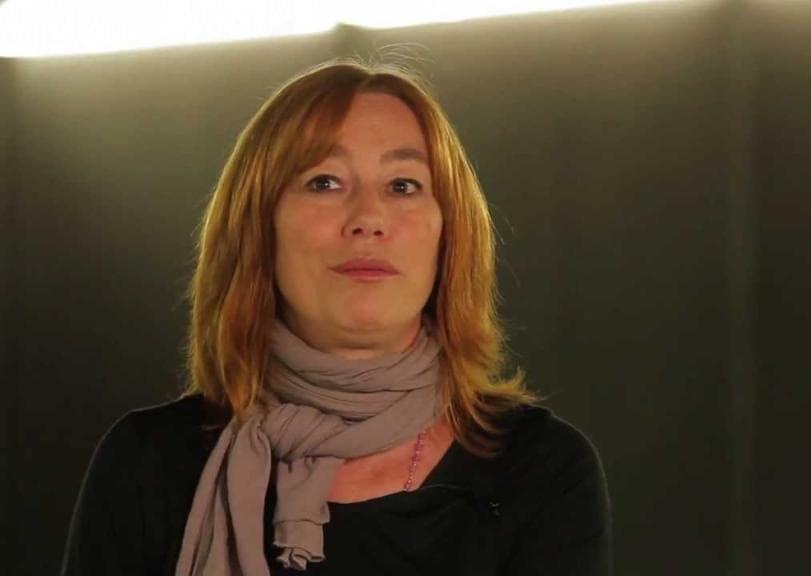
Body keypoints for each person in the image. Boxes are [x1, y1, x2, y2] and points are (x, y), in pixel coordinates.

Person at [60, 60, 612, 575]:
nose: (368, 218)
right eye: (324, 182)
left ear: (449, 232)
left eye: (403, 185)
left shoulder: (542, 471)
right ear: (259, 227)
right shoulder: (148, 465)